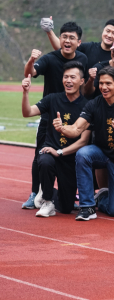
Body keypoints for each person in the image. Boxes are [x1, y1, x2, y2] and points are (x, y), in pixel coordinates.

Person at [56, 66, 114, 220]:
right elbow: (76, 129)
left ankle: (101, 198)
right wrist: (62, 129)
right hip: (100, 153)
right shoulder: (94, 103)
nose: (103, 87)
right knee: (83, 154)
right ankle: (87, 207)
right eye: (101, 83)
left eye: (108, 83)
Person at [21, 21, 88, 209]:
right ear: (60, 39)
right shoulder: (50, 59)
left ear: (78, 42)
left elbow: (87, 83)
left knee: (74, 156)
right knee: (40, 157)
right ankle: (37, 193)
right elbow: (31, 73)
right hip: (50, 113)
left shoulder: (82, 59)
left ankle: (68, 193)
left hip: (75, 115)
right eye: (64, 37)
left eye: (71, 38)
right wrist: (31, 60)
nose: (67, 41)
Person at [41, 17, 114, 70]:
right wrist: (49, 31)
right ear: (103, 31)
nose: (109, 35)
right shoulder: (88, 48)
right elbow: (62, 47)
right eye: (107, 31)